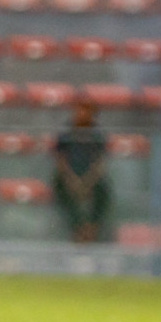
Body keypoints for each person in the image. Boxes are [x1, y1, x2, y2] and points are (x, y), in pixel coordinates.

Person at [52, 101, 109, 243]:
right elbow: (61, 161)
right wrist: (72, 180)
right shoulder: (65, 136)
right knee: (61, 190)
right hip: (68, 178)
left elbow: (99, 163)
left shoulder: (97, 137)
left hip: (90, 178)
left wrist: (87, 182)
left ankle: (92, 228)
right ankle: (77, 229)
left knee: (103, 191)